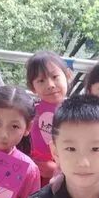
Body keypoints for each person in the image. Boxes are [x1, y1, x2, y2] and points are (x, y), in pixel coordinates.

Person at [24, 51, 71, 184]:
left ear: (68, 76)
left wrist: (59, 170)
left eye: (55, 76)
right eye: (41, 80)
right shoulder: (29, 112)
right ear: (32, 87)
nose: (50, 85)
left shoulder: (79, 114)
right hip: (34, 174)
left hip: (69, 177)